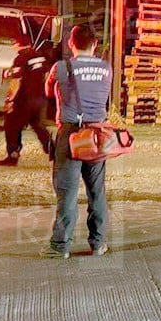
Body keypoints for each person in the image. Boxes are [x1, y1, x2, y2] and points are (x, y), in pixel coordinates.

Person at [42, 25, 112, 259]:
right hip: (97, 135)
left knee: (67, 191)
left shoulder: (61, 67)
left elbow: (49, 93)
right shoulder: (106, 68)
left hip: (71, 134)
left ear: (71, 44)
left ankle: (60, 245)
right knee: (97, 191)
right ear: (95, 45)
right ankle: (99, 243)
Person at [0, 39, 53, 166]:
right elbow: (47, 75)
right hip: (40, 99)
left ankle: (13, 155)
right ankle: (53, 151)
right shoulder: (40, 57)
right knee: (39, 126)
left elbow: (16, 81)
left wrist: (9, 100)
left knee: (12, 126)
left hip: (24, 100)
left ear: (18, 44)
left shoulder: (20, 59)